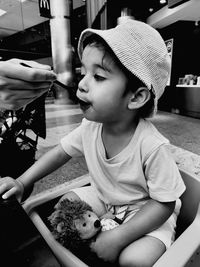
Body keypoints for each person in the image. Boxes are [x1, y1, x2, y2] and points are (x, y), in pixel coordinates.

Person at [0, 20, 186, 267]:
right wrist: (23, 181)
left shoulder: (152, 145)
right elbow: (60, 152)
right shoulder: (91, 127)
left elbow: (165, 203)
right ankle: (101, 230)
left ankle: (109, 236)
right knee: (64, 205)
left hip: (145, 211)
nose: (82, 83)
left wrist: (119, 237)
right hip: (106, 199)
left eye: (98, 76)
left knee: (135, 260)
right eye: (83, 72)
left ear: (137, 96)